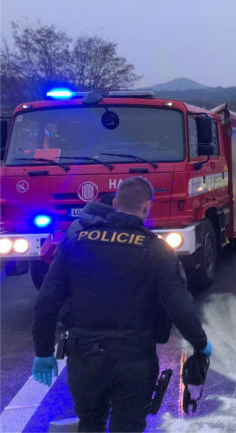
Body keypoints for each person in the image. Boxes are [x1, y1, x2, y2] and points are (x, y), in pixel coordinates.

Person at [31, 176, 212, 433]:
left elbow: (46, 301)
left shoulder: (77, 242)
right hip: (134, 358)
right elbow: (179, 305)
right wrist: (201, 344)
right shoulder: (156, 250)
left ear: (115, 203)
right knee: (127, 426)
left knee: (90, 423)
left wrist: (43, 351)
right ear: (146, 207)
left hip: (84, 356)